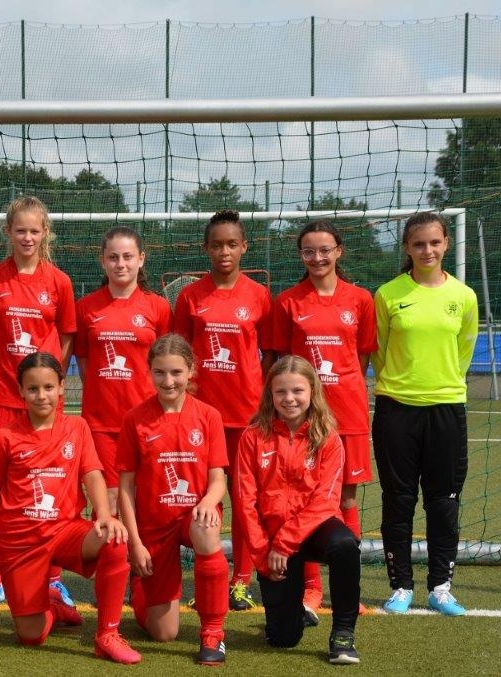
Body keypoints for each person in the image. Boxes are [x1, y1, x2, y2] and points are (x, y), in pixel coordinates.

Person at [0, 352, 141, 665]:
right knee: (32, 636)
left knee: (113, 538)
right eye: (33, 389)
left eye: (49, 387)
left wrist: (104, 516)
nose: (42, 395)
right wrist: (27, 509)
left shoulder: (77, 428)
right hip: (21, 542)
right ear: (21, 391)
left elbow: (92, 473)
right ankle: (53, 605)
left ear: (62, 387)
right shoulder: (4, 438)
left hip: (66, 530)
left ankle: (107, 635)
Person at [269, 220, 376, 624]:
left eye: (325, 250)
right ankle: (311, 589)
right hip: (304, 418)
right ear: (301, 255)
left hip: (347, 414)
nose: (317, 258)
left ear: (339, 251)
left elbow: (361, 357)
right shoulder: (288, 302)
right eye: (309, 251)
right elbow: (281, 361)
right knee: (303, 498)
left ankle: (348, 589)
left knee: (345, 501)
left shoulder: (360, 299)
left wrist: (340, 390)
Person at [372, 212, 478, 616]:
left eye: (434, 242)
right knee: (398, 501)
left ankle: (440, 588)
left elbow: (464, 349)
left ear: (446, 243)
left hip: (446, 408)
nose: (427, 250)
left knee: (443, 502)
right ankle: (401, 586)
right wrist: (403, 384)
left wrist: (442, 383)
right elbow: (379, 352)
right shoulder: (388, 294)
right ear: (407, 248)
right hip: (396, 408)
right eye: (419, 243)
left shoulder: (464, 297)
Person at [0, 196, 76, 609]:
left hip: (46, 402)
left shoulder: (60, 282)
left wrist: (47, 383)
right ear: (8, 232)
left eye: (34, 230)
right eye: (20, 230)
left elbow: (65, 338)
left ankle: (54, 577)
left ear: (45, 232)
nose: (27, 237)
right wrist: (1, 376)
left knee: (51, 487)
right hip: (2, 396)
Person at [173, 209, 273, 611]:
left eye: (232, 244)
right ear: (206, 248)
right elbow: (180, 356)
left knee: (246, 502)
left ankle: (241, 581)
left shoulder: (259, 295)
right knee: (204, 502)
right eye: (217, 245)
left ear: (244, 246)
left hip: (247, 418)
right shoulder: (190, 297)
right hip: (201, 418)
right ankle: (208, 578)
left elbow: (269, 355)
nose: (224, 251)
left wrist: (262, 403)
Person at [236, 355, 362, 665]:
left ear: (312, 392)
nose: (289, 399)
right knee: (283, 639)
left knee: (345, 545)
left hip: (314, 530)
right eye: (281, 391)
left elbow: (325, 501)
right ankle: (293, 615)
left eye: (297, 391)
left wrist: (285, 542)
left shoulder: (328, 438)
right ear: (270, 394)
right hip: (272, 539)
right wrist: (263, 553)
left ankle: (343, 634)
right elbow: (245, 501)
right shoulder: (252, 436)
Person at [117, 333, 230, 666]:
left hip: (194, 515)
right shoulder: (135, 419)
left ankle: (213, 634)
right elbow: (125, 488)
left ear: (191, 370)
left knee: (206, 529)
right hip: (154, 526)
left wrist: (208, 502)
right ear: (149, 371)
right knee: (164, 632)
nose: (168, 381)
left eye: (176, 372)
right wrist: (135, 544)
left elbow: (218, 480)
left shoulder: (209, 416)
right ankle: (140, 585)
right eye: (160, 372)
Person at [76, 227, 172, 513]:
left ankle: (144, 546)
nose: (121, 264)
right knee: (109, 503)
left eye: (128, 257)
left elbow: (168, 363)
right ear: (103, 260)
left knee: (148, 499)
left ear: (141, 259)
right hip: (101, 423)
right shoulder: (85, 307)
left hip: (148, 420)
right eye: (113, 257)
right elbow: (84, 362)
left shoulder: (158, 307)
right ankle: (109, 547)